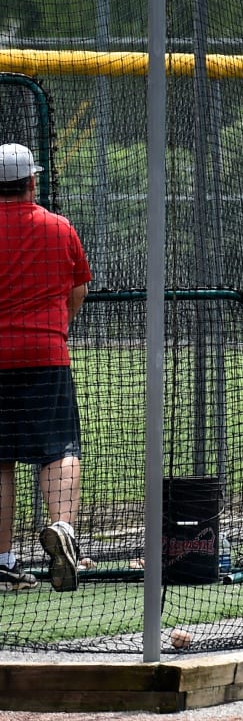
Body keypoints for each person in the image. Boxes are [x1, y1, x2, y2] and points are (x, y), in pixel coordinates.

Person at [0, 142, 91, 591]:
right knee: (58, 449)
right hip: (45, 355)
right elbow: (78, 290)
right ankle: (64, 531)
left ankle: (2, 559)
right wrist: (56, 329)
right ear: (32, 181)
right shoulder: (59, 228)